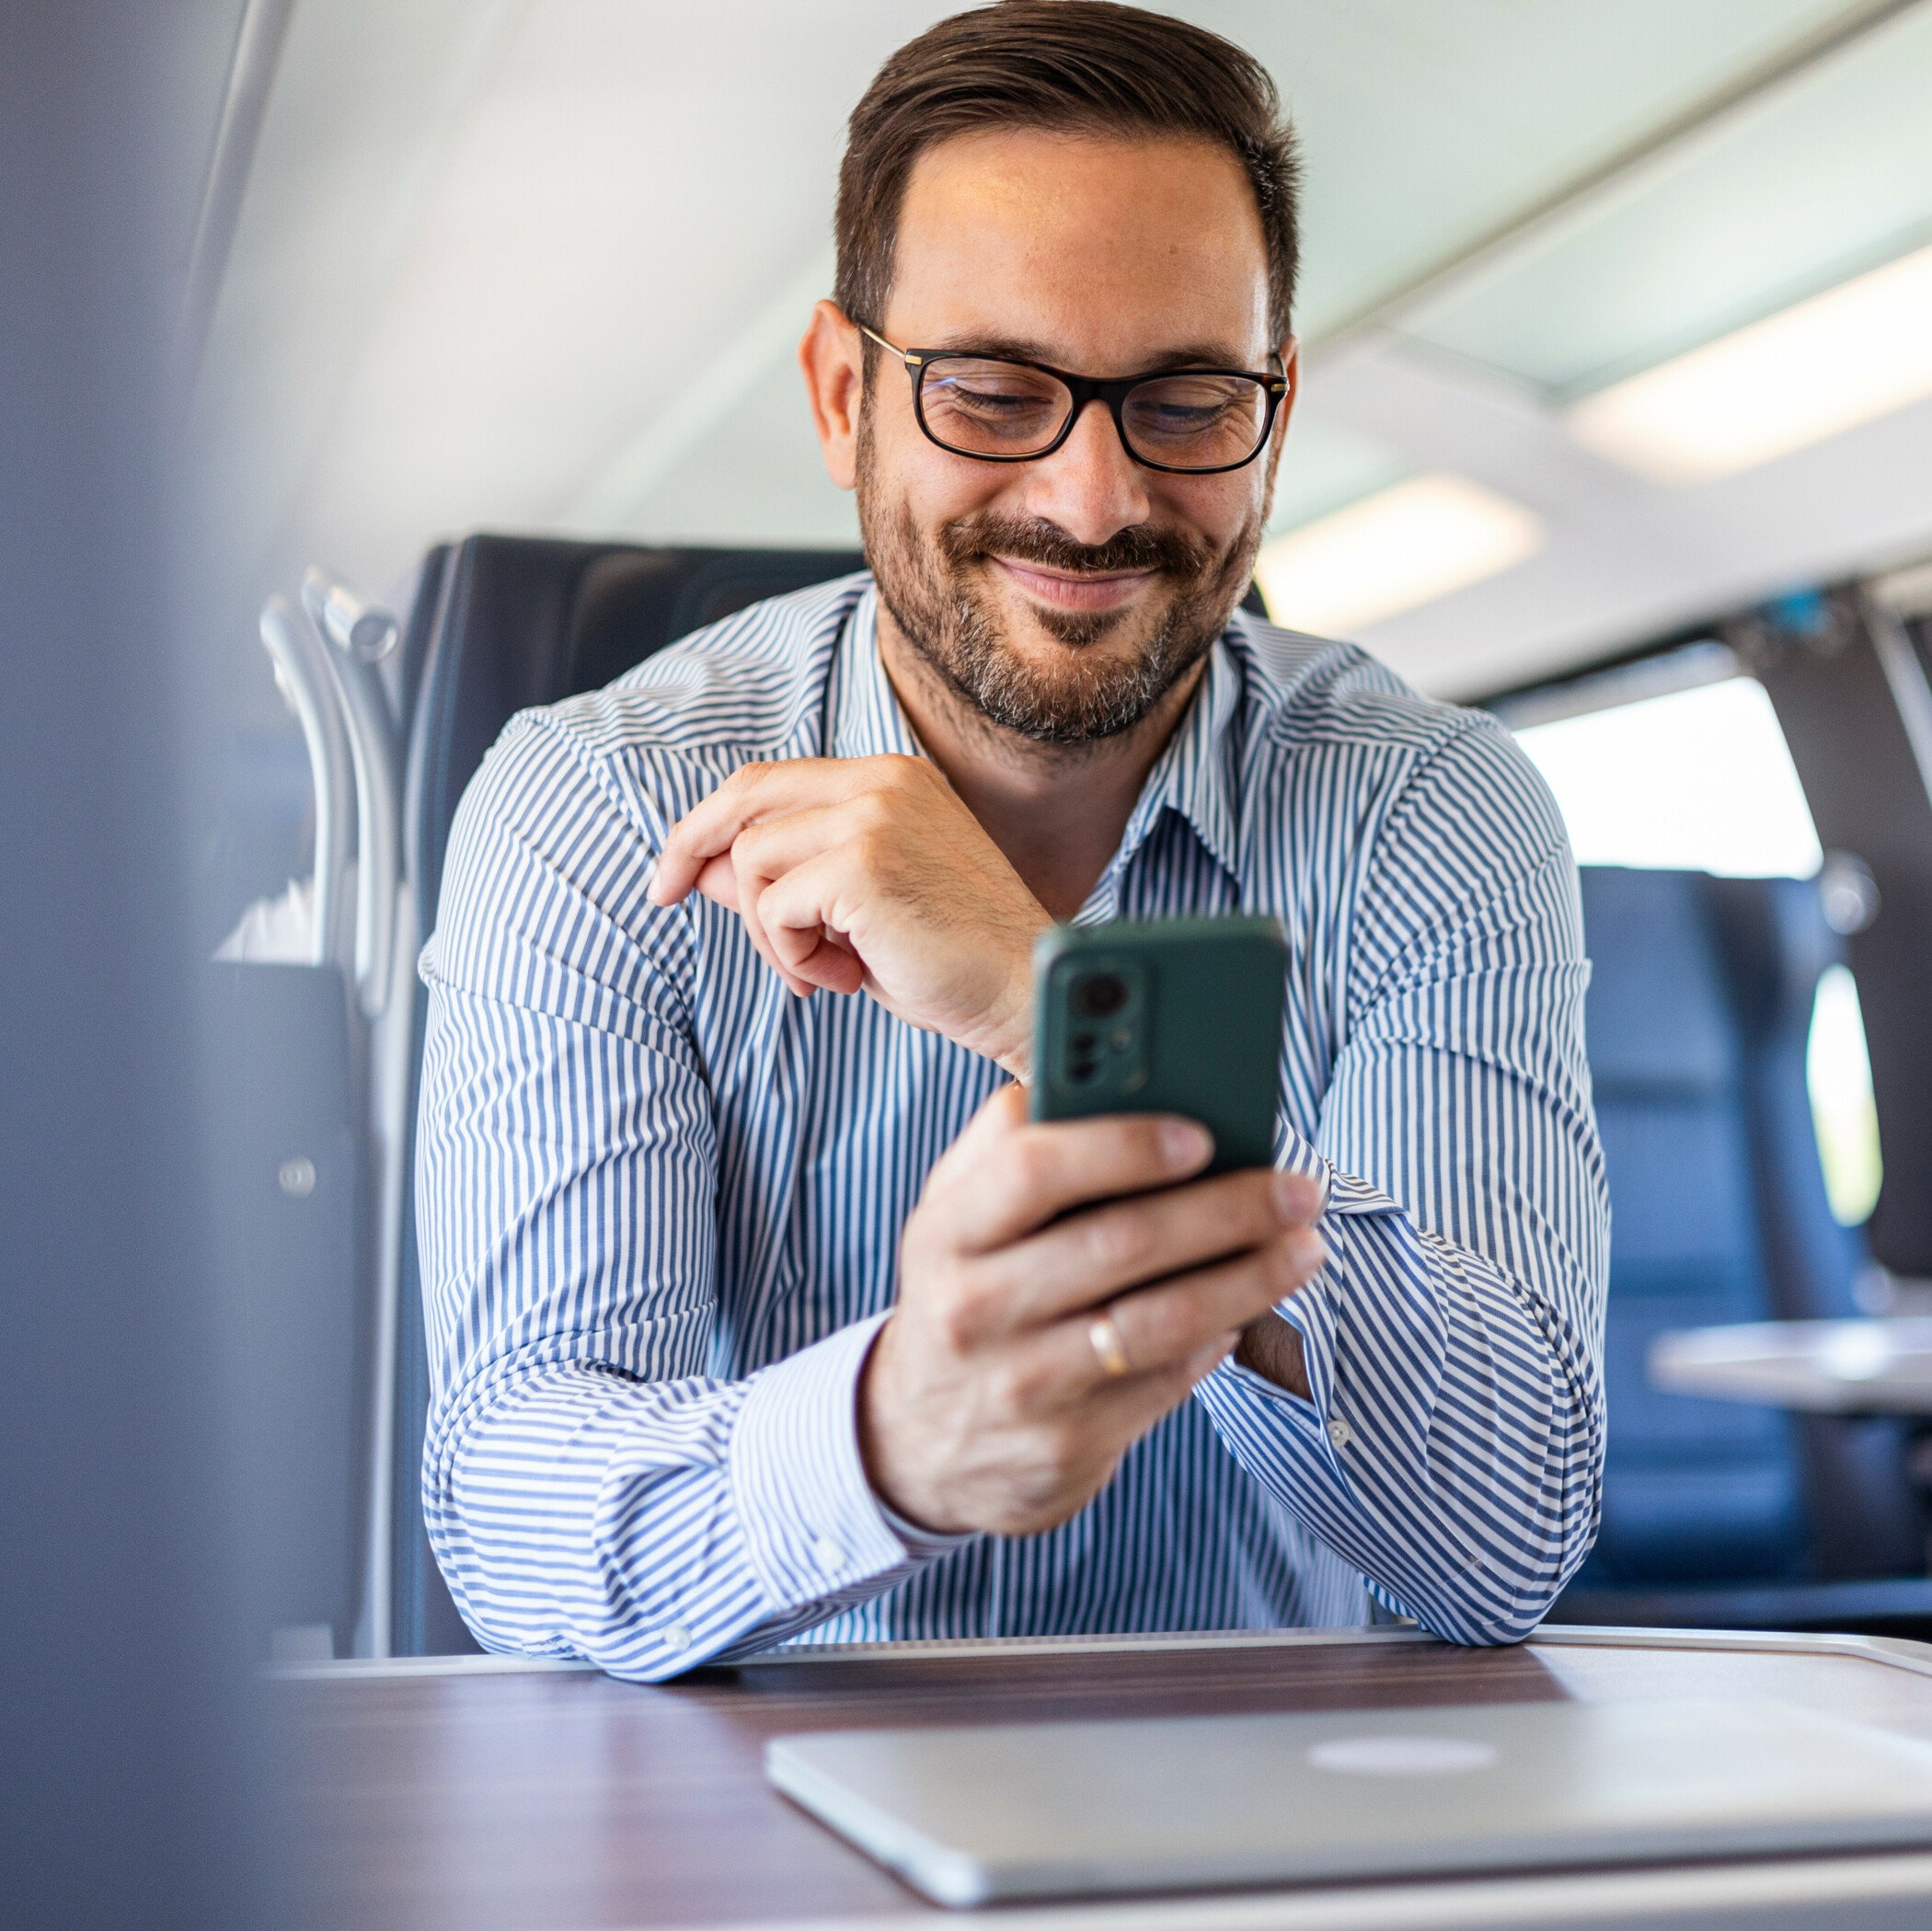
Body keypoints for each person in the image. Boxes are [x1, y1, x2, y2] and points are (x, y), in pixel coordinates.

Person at [416, 0, 1608, 1681]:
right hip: (762, 1807)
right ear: (846, 397)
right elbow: (513, 1512)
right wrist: (892, 1442)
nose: (1094, 499)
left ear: (1273, 403)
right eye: (992, 392)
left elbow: (1507, 1542)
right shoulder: (593, 806)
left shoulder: (1435, 808)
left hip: (1288, 1822)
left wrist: (1057, 1008)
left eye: (1186, 402)